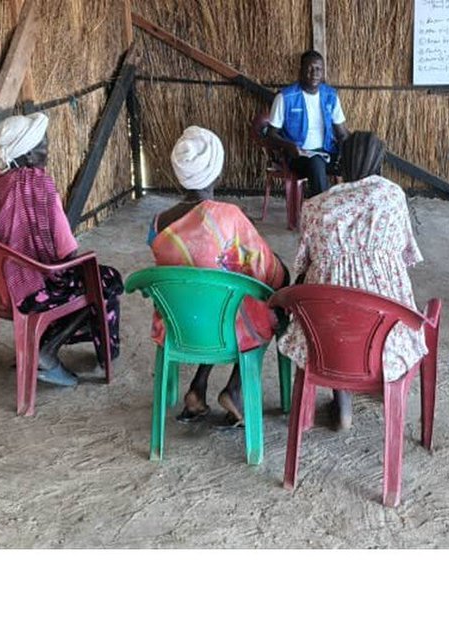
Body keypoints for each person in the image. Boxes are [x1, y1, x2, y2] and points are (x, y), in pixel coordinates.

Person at [278, 132, 427, 430]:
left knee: (333, 303)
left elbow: (303, 266)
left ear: (340, 164)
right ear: (379, 164)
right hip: (385, 333)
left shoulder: (316, 206)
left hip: (328, 344)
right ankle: (385, 379)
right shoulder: (392, 196)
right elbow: (405, 255)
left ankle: (342, 404)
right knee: (380, 301)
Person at [0, 112, 123, 387]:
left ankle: (44, 342)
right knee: (104, 280)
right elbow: (68, 253)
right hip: (28, 292)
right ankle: (55, 350)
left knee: (88, 280)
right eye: (42, 145)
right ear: (25, 154)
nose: (47, 149)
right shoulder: (39, 185)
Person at [151, 126, 288, 428]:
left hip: (180, 324)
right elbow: (267, 269)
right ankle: (235, 390)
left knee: (212, 298)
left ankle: (198, 389)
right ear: (217, 169)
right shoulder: (229, 217)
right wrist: (280, 271)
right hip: (220, 327)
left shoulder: (158, 223)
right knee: (265, 310)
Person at [263, 50, 350, 197]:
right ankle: (323, 213)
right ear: (301, 71)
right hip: (298, 156)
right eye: (310, 68)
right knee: (316, 163)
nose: (314, 73)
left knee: (360, 158)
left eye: (318, 69)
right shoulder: (285, 97)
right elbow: (271, 135)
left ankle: (353, 210)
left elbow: (342, 133)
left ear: (323, 72)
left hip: (328, 152)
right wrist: (289, 146)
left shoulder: (331, 96)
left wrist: (352, 151)